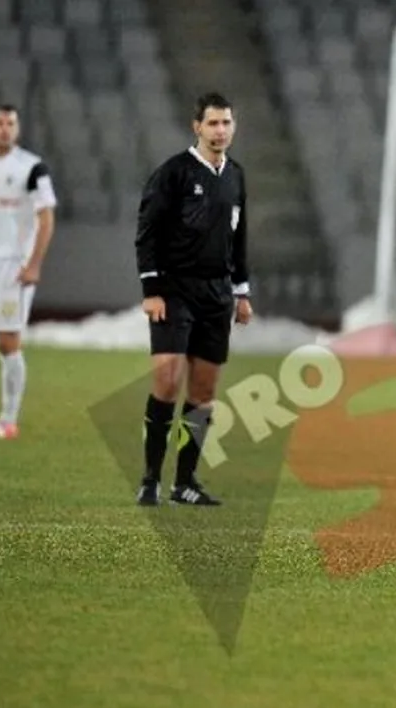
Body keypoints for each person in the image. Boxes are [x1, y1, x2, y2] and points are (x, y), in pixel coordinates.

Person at [134, 92, 253, 507]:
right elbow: (147, 233)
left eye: (226, 123)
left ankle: (184, 483)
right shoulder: (174, 174)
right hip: (174, 290)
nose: (221, 130)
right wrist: (152, 291)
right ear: (197, 127)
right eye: (213, 124)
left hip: (217, 295)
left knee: (203, 391)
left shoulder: (235, 176)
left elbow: (238, 240)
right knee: (167, 380)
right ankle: (150, 478)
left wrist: (241, 292)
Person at [0, 103, 57, 439]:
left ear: (18, 128)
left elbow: (46, 218)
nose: (4, 130)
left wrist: (33, 265)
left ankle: (9, 420)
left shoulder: (32, 168)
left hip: (12, 269)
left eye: (10, 123)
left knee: (7, 341)